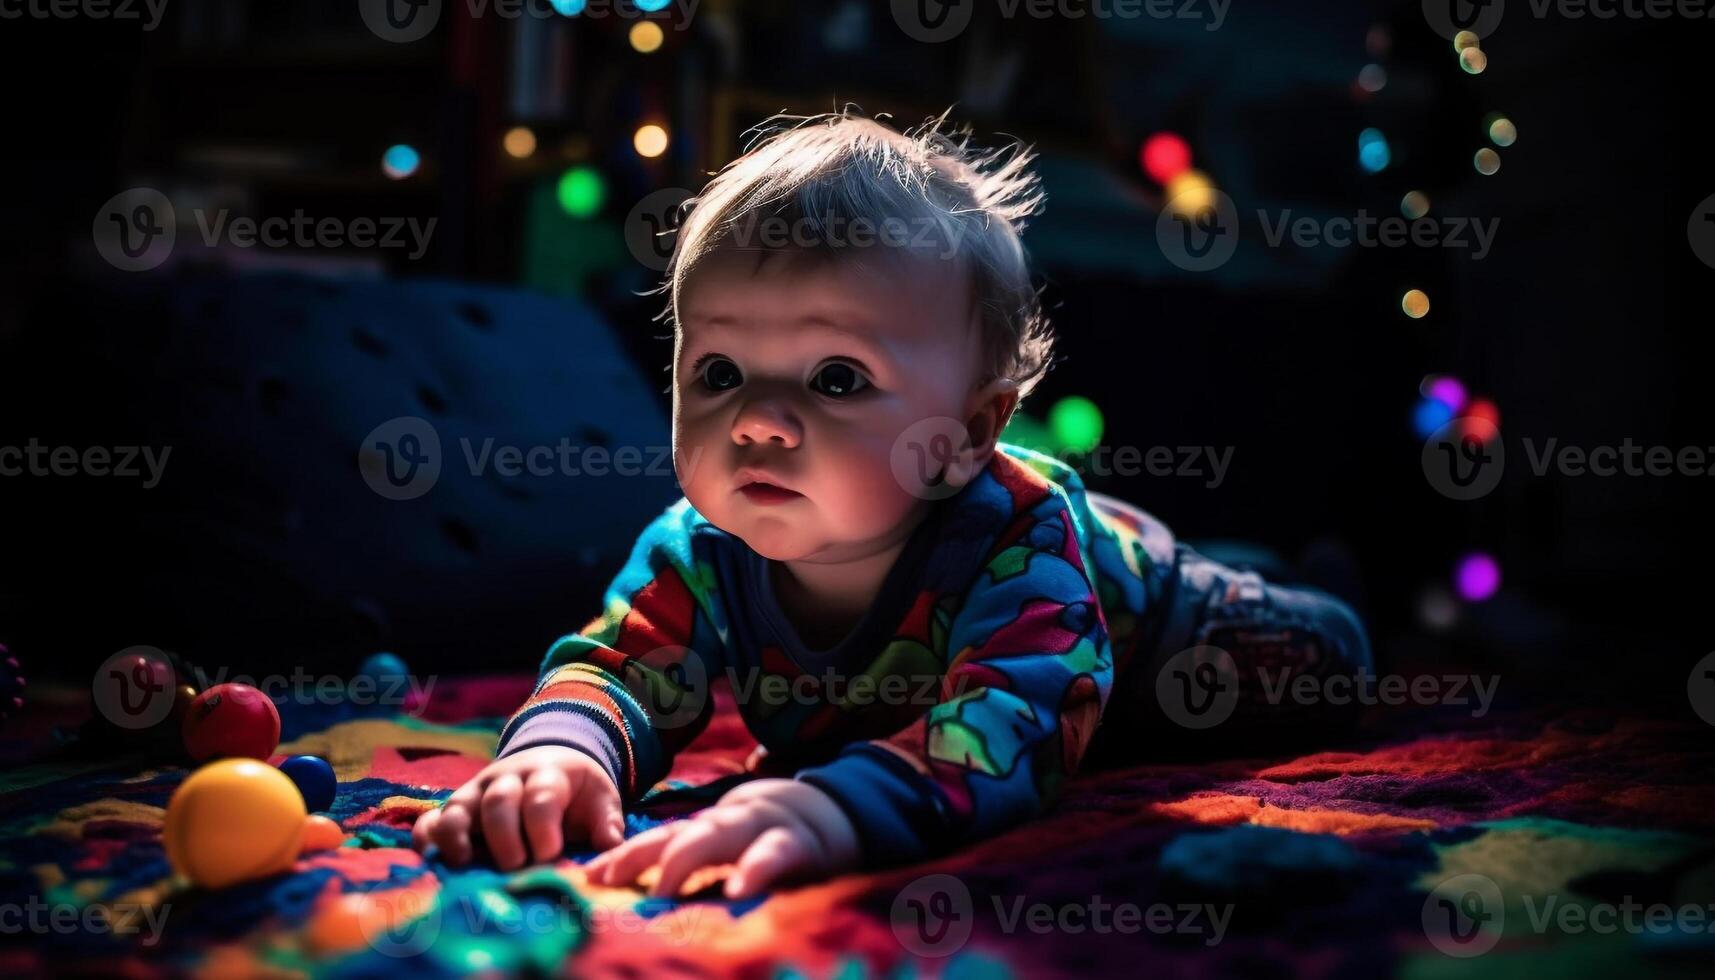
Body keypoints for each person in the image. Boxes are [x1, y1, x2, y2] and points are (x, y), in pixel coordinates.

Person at [411, 110, 1370, 900]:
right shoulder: (698, 549)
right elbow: (617, 665)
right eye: (718, 369)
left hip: (1161, 628)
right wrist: (561, 753)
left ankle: (1295, 568)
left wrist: (835, 809)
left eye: (835, 376)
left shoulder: (1012, 538)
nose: (757, 422)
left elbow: (1015, 720)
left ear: (968, 431)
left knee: (1328, 661)